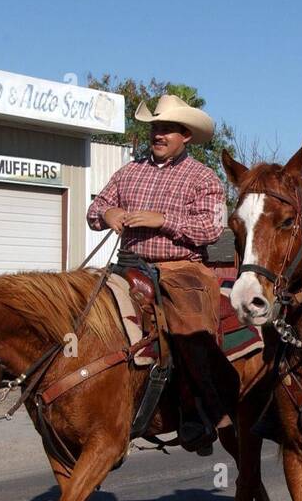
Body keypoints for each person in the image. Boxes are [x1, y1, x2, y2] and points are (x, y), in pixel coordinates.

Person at [87, 93, 230, 452]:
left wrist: (162, 221)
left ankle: (203, 413)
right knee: (81, 308)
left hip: (179, 269)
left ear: (186, 136)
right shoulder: (129, 172)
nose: (158, 135)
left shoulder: (203, 177)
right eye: (155, 128)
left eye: (167, 129)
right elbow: (96, 207)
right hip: (128, 265)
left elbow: (211, 228)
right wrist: (108, 215)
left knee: (187, 331)